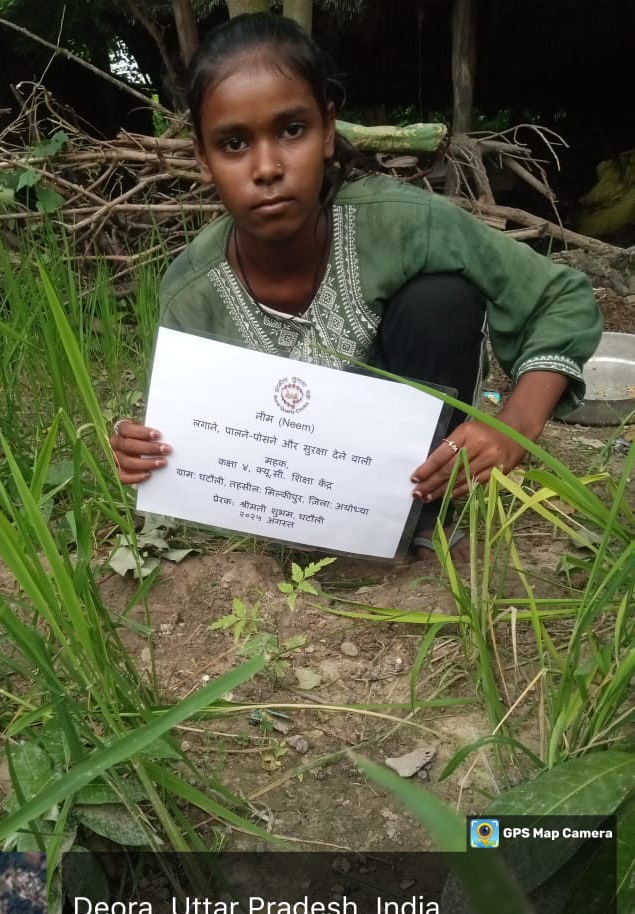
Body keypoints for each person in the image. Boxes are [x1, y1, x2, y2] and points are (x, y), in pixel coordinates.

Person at [110, 12, 601, 560]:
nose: (267, 166)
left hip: (412, 480)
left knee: (440, 302)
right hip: (278, 509)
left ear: (327, 131)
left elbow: (561, 296)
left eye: (291, 130)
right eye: (233, 144)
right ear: (202, 159)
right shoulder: (190, 292)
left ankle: (417, 521)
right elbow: (182, 428)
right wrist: (140, 448)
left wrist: (514, 424)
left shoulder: (402, 223)